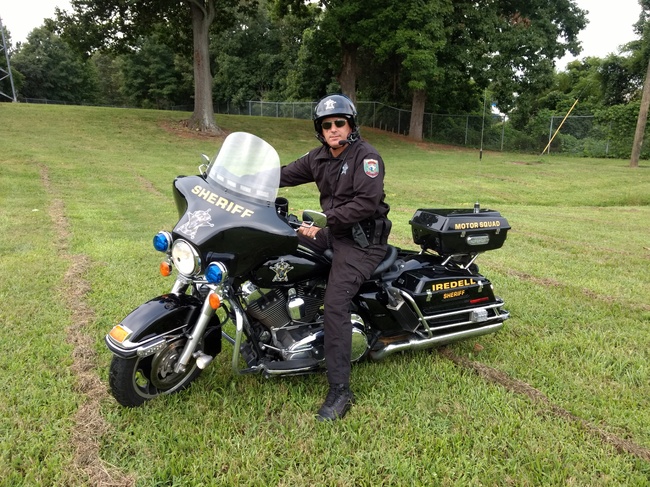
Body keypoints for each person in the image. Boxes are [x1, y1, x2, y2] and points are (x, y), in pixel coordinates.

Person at [280, 94, 392, 421]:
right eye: (326, 125)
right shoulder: (318, 157)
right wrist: (236, 180)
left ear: (351, 125)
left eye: (339, 123)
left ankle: (341, 390)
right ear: (320, 130)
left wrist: (325, 222)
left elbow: (366, 204)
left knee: (336, 302)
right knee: (280, 244)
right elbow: (282, 174)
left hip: (362, 241)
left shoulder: (367, 157)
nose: (333, 129)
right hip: (334, 232)